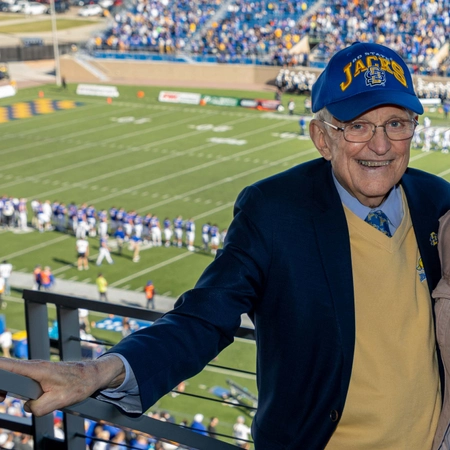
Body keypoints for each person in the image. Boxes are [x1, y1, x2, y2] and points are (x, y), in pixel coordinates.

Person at [2, 42, 450, 449]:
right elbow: (203, 318)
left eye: (396, 123)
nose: (380, 144)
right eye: (357, 126)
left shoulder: (435, 199)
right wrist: (99, 370)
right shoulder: (274, 212)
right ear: (322, 137)